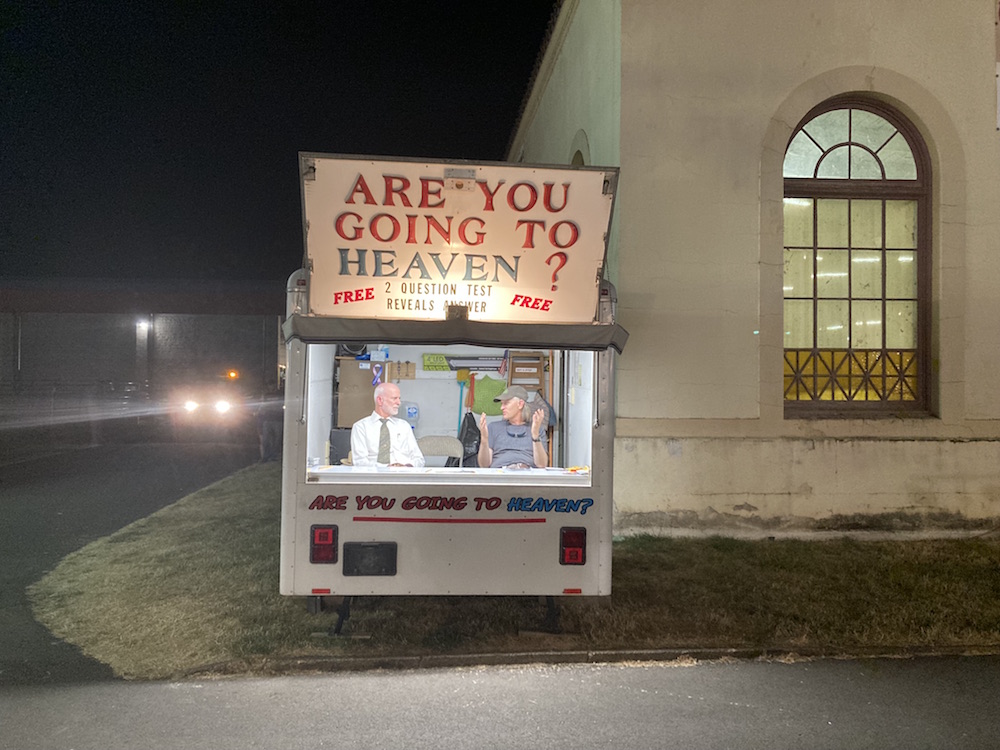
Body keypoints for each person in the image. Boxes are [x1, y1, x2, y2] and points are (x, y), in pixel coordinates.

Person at [350, 382, 425, 467]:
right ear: (380, 400)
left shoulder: (404, 426)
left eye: (399, 398)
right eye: (394, 398)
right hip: (374, 477)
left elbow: (419, 460)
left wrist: (406, 466)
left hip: (403, 476)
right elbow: (359, 462)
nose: (399, 403)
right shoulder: (361, 427)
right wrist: (387, 468)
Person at [477, 385, 548, 469]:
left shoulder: (537, 429)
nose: (501, 408)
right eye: (501, 404)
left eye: (506, 403)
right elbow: (484, 465)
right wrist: (484, 439)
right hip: (500, 476)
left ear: (520, 404)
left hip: (527, 477)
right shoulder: (493, 427)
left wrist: (535, 435)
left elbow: (542, 465)